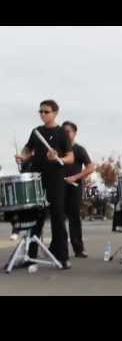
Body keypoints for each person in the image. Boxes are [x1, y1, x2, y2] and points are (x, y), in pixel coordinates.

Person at [14, 99, 74, 270]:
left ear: (55, 113)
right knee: (35, 217)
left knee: (57, 217)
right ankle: (30, 256)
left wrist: (57, 158)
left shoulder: (62, 133)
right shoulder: (36, 132)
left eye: (46, 112)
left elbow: (70, 157)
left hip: (55, 178)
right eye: (40, 111)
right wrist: (22, 156)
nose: (42, 114)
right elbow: (28, 149)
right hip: (37, 178)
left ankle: (63, 257)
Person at [62, 121, 95, 258]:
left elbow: (90, 167)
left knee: (74, 218)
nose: (65, 133)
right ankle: (58, 248)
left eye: (68, 131)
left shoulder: (79, 149)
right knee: (58, 218)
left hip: (74, 188)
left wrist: (75, 177)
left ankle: (78, 249)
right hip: (59, 187)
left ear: (74, 133)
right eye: (63, 131)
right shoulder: (57, 150)